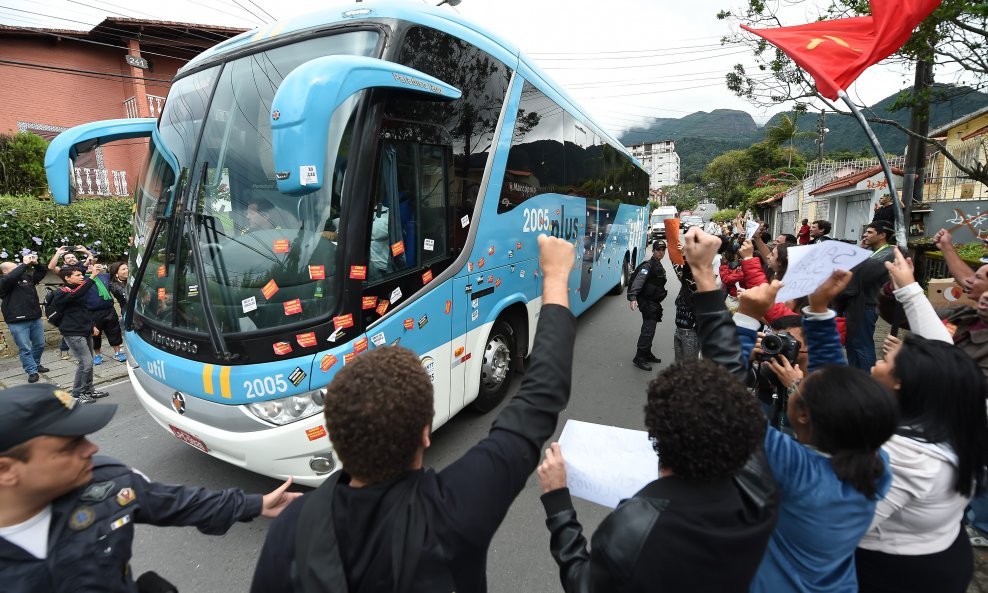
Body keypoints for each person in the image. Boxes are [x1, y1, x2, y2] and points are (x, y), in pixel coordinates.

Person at [251, 234, 578, 593]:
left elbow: (540, 398)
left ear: (338, 438)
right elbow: (540, 397)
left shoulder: (290, 529)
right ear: (425, 432)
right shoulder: (454, 507)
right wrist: (556, 277)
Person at [682, 228, 898, 593]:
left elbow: (720, 399)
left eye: (803, 384)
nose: (800, 375)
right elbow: (831, 379)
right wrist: (818, 309)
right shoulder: (874, 467)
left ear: (802, 417)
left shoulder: (798, 469)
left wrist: (726, 296)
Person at [0, 382, 300, 593]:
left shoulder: (108, 484)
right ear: (6, 471)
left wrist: (254, 504)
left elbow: (178, 502)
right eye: (70, 446)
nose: (91, 449)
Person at [535, 358, 777, 592]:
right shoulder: (764, 493)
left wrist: (558, 503)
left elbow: (582, 584)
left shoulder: (634, 527)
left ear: (658, 431)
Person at [852, 249, 988, 592]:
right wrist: (908, 289)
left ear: (903, 382)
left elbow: (839, 523)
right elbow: (946, 356)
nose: (879, 359)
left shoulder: (905, 454)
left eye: (891, 358)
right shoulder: (951, 418)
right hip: (941, 552)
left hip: (896, 572)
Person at [833, 221, 898, 369]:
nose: (864, 235)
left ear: (882, 235)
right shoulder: (872, 252)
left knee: (862, 345)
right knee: (852, 343)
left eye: (870, 232)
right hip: (856, 303)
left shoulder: (888, 254)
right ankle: (855, 376)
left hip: (867, 305)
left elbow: (860, 273)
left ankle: (867, 378)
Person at [51, 266, 105, 402]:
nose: (82, 277)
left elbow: (83, 309)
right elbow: (76, 294)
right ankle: (77, 393)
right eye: (77, 275)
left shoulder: (77, 290)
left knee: (89, 362)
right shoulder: (61, 292)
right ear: (67, 278)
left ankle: (88, 390)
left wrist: (92, 325)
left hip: (84, 329)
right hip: (72, 332)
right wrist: (92, 277)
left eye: (82, 274)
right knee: (85, 362)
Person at [0, 253, 49, 383]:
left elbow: (42, 272)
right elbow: (11, 277)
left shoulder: (26, 277)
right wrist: (24, 264)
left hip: (34, 317)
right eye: (14, 267)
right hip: (17, 320)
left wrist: (36, 263)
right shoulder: (3, 282)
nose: (19, 268)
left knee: (39, 344)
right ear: (5, 272)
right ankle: (31, 371)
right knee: (25, 348)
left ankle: (36, 364)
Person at [627, 240, 668, 371]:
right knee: (648, 330)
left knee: (651, 328)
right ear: (653, 250)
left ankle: (647, 353)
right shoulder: (647, 266)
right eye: (658, 250)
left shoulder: (658, 264)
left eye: (663, 250)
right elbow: (638, 281)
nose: (661, 252)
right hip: (647, 302)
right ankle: (639, 357)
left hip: (654, 302)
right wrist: (633, 297)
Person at [48, 246, 91, 361]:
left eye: (73, 256)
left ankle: (85, 352)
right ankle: (64, 349)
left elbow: (91, 259)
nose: (71, 259)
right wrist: (58, 253)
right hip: (69, 298)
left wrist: (85, 251)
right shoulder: (63, 271)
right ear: (64, 261)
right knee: (71, 325)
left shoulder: (81, 267)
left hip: (82, 297)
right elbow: (51, 267)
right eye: (68, 257)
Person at [84, 262, 126, 365]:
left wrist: (103, 267)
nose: (90, 266)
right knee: (95, 335)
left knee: (114, 331)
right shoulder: (83, 279)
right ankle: (97, 355)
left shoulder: (105, 276)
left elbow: (115, 272)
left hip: (109, 309)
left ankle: (118, 352)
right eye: (87, 265)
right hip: (92, 312)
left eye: (91, 264)